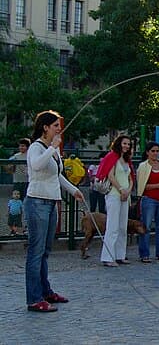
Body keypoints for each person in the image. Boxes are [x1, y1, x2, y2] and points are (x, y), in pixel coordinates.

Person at [24, 110, 84, 312]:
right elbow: (37, 165)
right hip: (37, 202)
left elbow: (57, 175)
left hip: (52, 203)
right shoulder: (36, 147)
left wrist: (74, 190)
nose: (59, 129)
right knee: (36, 251)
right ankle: (34, 299)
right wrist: (52, 148)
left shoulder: (53, 150)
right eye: (56, 125)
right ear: (46, 127)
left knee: (45, 252)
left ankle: (45, 291)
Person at [96, 134, 134, 267]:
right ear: (119, 143)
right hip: (114, 193)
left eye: (128, 144)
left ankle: (120, 255)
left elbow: (131, 178)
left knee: (123, 226)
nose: (126, 146)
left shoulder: (127, 159)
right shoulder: (112, 157)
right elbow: (110, 175)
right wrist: (120, 189)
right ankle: (108, 256)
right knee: (112, 226)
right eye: (124, 143)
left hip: (125, 195)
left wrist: (128, 190)